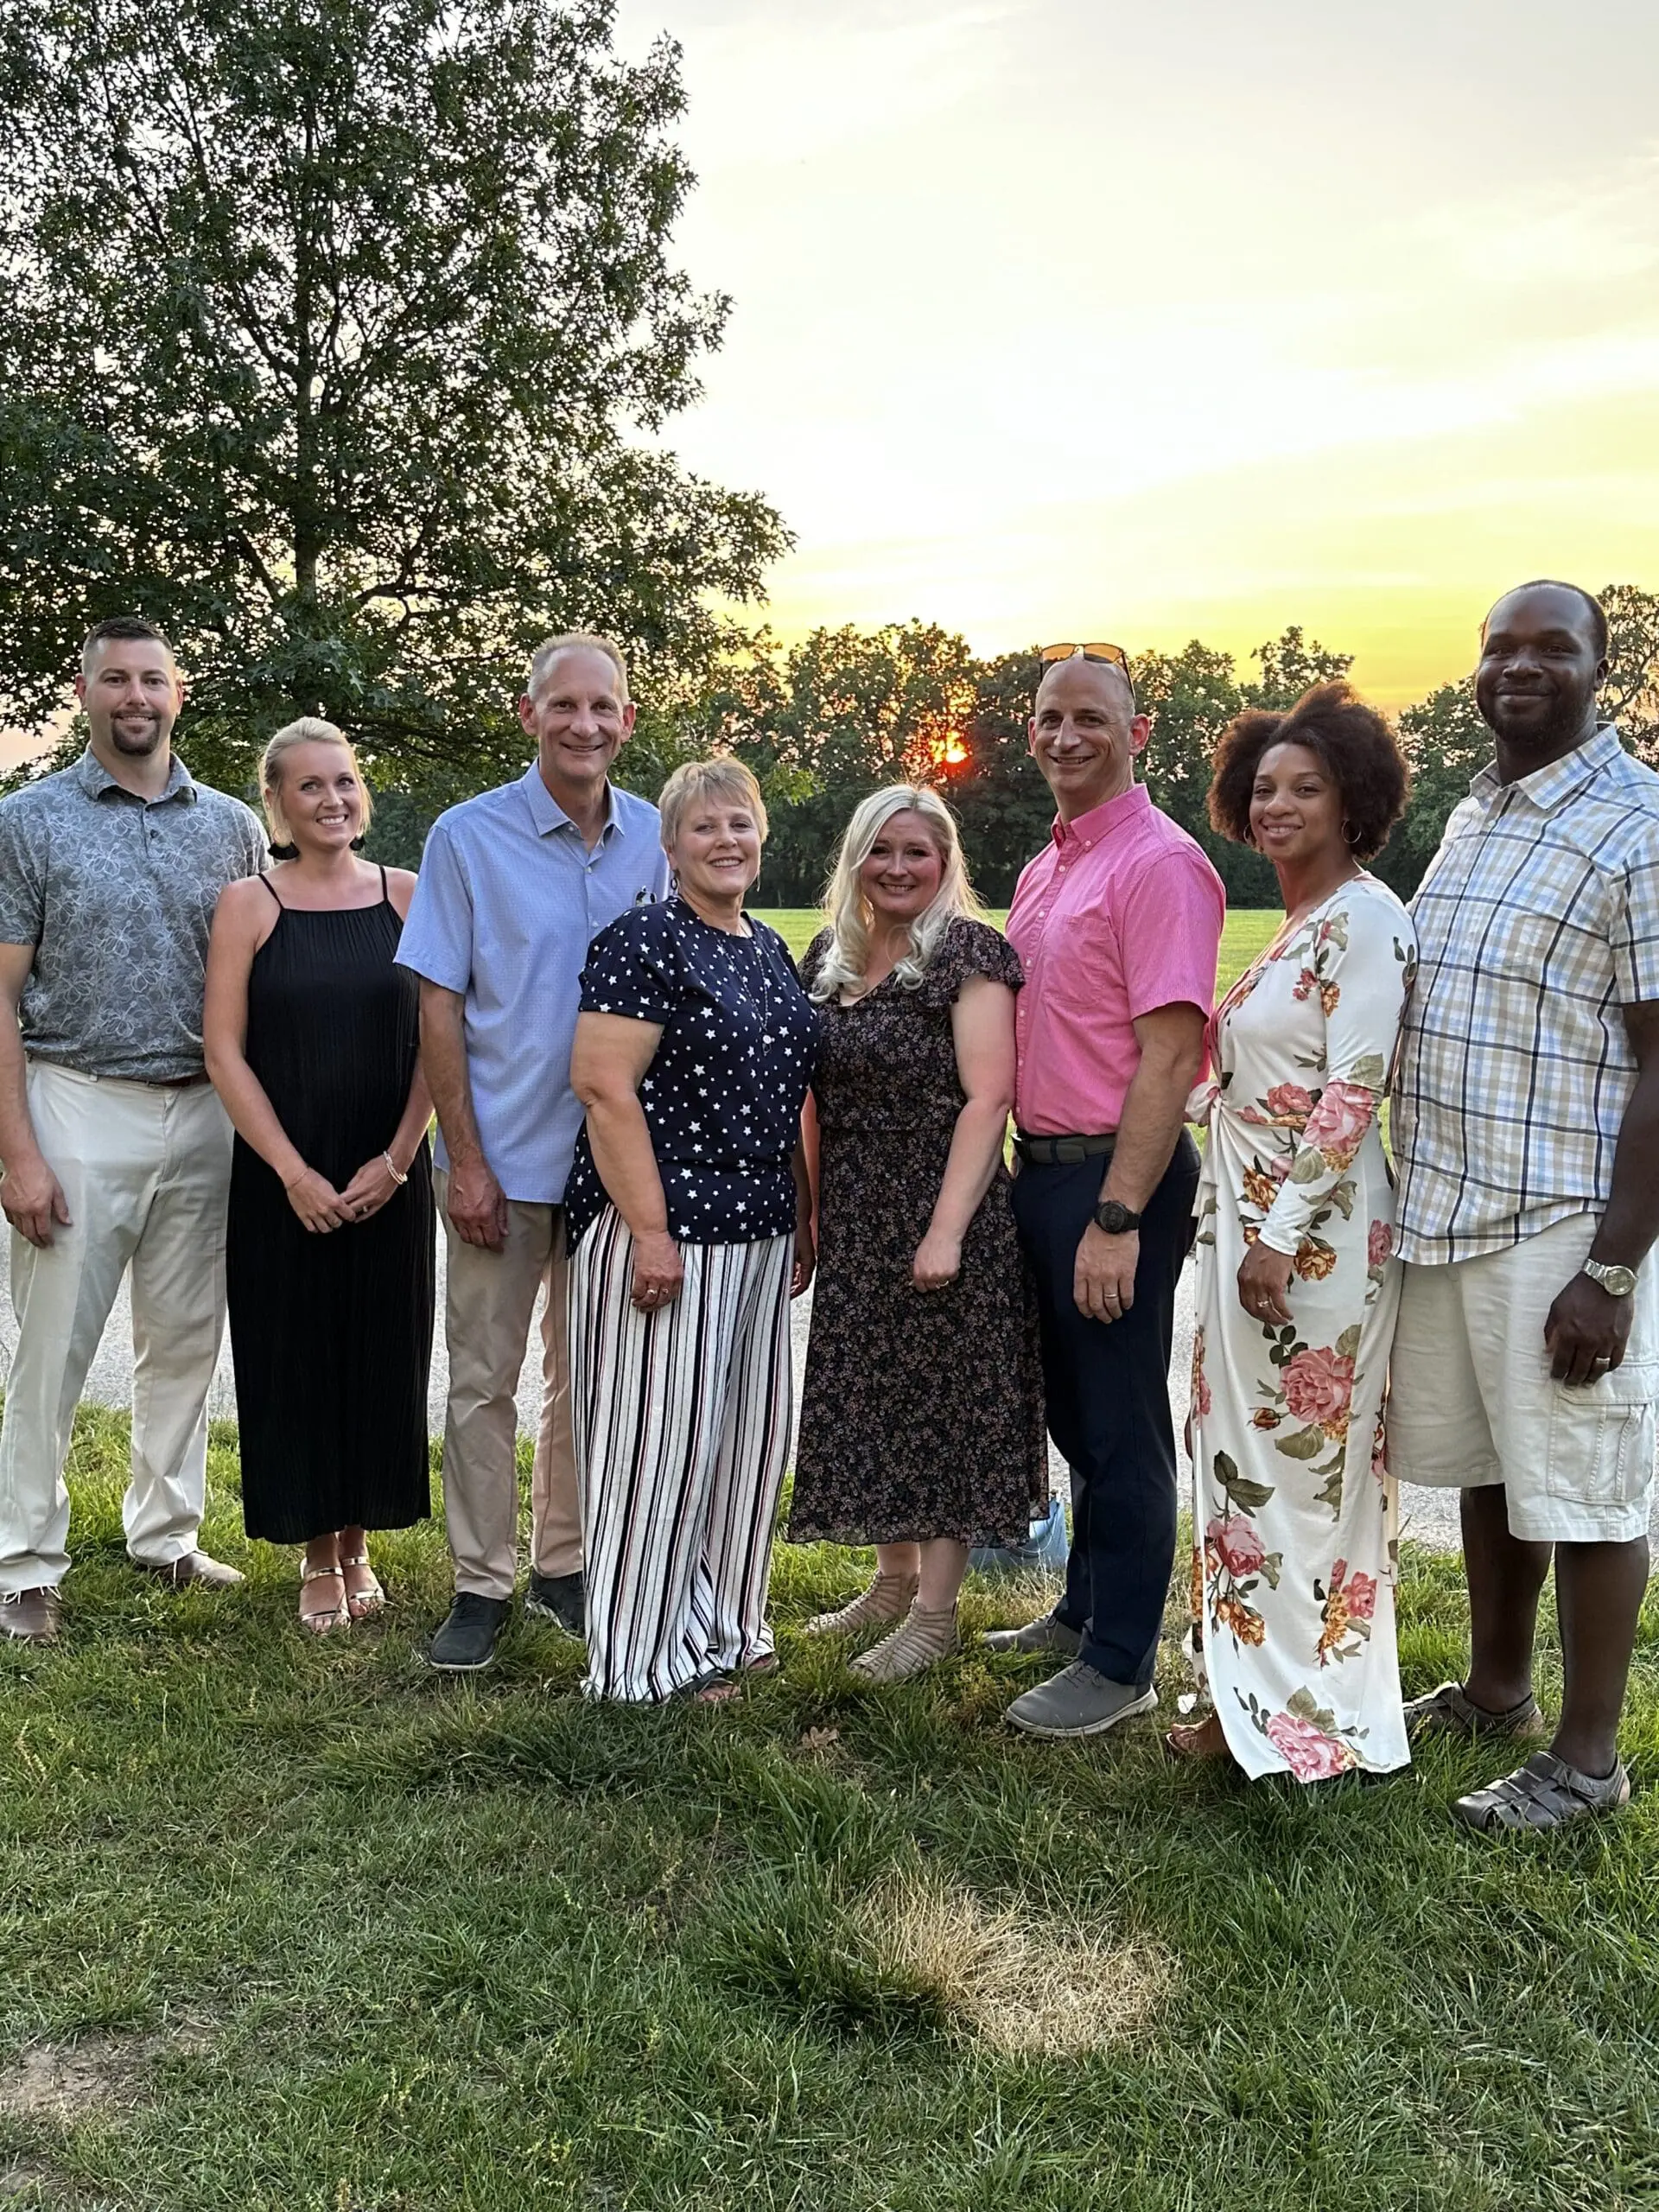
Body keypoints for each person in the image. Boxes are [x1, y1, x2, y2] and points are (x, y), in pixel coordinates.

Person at [1389, 581, 1659, 1832]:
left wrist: (1610, 1271)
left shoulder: (1639, 823)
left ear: (1604, 666)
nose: (1521, 665)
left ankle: (1587, 1760)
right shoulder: (1475, 812)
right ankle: (1496, 1690)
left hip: (1565, 1217)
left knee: (1588, 1486)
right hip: (1452, 1202)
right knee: (1498, 1469)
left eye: (1554, 647)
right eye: (1501, 644)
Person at [396, 633, 670, 1672]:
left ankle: (566, 1563)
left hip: (616, 1171)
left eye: (604, 707)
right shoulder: (467, 839)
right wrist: (461, 1158)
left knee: (589, 1378)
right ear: (530, 715)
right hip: (502, 1161)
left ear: (628, 721)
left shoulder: (659, 839)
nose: (585, 724)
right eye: (565, 706)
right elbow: (439, 1008)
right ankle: (480, 1582)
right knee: (482, 1379)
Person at [0, 617, 267, 1643]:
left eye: (152, 678)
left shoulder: (233, 825)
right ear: (84, 694)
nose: (135, 697)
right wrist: (17, 1153)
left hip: (205, 1106)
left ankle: (166, 1534)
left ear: (179, 692)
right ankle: (25, 1560)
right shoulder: (30, 821)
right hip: (76, 1098)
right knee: (53, 1348)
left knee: (185, 1338)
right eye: (114, 679)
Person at [1173, 683, 1415, 1778]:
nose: (1279, 805)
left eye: (1306, 788)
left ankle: (1304, 1720)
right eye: (1265, 787)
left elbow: (1351, 1092)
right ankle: (1248, 1703)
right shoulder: (1300, 925)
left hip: (1306, 1248)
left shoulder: (1369, 919)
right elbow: (1268, 1079)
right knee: (1239, 1469)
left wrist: (1275, 1235)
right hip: (1249, 1232)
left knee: (1305, 1482)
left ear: (1353, 800)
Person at [987, 642, 1224, 1738]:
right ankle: (1083, 1606)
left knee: (1123, 1419)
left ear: (1137, 733)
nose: (1066, 735)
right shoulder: (1049, 867)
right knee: (1077, 1410)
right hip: (1042, 1169)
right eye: (1049, 717)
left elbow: (1170, 1058)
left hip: (1113, 1182)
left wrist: (1120, 1218)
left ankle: (1122, 1657)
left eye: (1092, 717)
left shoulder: (1158, 864)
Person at [567, 758, 816, 1704]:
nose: (726, 841)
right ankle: (637, 1661)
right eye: (704, 827)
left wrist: (801, 1211)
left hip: (755, 1233)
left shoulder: (766, 947)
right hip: (661, 1230)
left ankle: (722, 1624)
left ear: (761, 838)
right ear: (669, 846)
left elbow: (787, 1094)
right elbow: (602, 1085)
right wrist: (651, 1232)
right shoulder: (643, 941)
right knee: (654, 1450)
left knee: (742, 1447)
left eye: (740, 824)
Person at [789, 785, 1046, 1680]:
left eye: (918, 853)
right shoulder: (829, 956)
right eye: (882, 851)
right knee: (874, 1400)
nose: (899, 868)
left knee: (943, 1409)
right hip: (857, 1209)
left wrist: (945, 1230)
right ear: (856, 859)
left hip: (949, 1207)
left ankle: (935, 1613)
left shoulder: (970, 952)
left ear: (945, 865)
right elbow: (809, 1101)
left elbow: (990, 1097)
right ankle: (890, 1582)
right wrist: (809, 1215)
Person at [203, 720, 435, 1632]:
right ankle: (313, 1551)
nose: (332, 800)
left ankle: (360, 1544)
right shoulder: (247, 904)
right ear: (276, 802)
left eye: (344, 782)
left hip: (389, 1169)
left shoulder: (409, 896)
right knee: (295, 1353)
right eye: (309, 786)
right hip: (281, 1174)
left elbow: (439, 1041)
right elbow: (223, 1051)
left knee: (382, 1350)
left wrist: (400, 1157)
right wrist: (293, 1171)